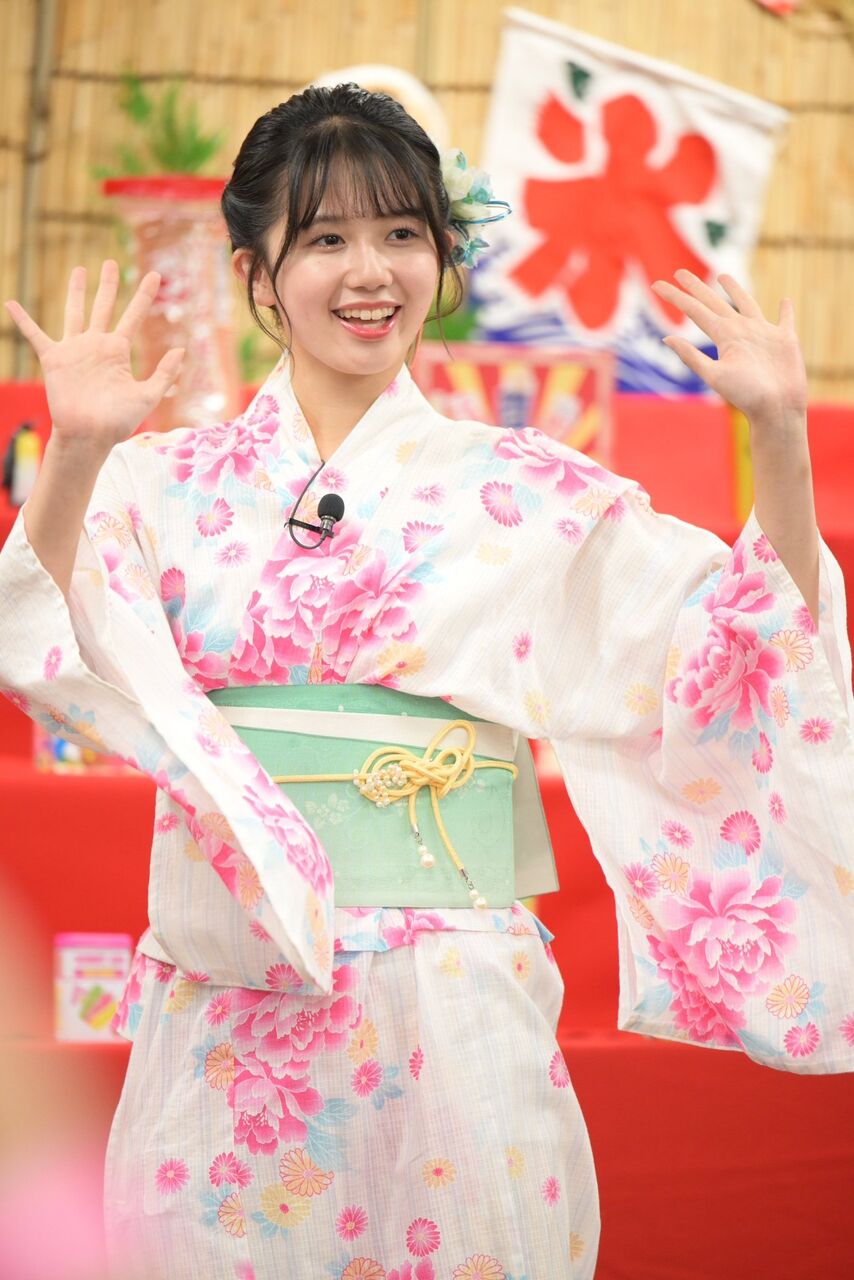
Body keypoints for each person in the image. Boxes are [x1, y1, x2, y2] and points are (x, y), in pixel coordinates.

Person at [1, 83, 852, 1280]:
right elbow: (35, 635)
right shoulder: (157, 482)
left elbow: (741, 651)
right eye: (325, 238)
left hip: (451, 993)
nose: (370, 271)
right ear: (256, 272)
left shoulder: (522, 487)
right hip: (234, 996)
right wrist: (77, 451)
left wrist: (779, 434)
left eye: (401, 232)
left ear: (442, 256)